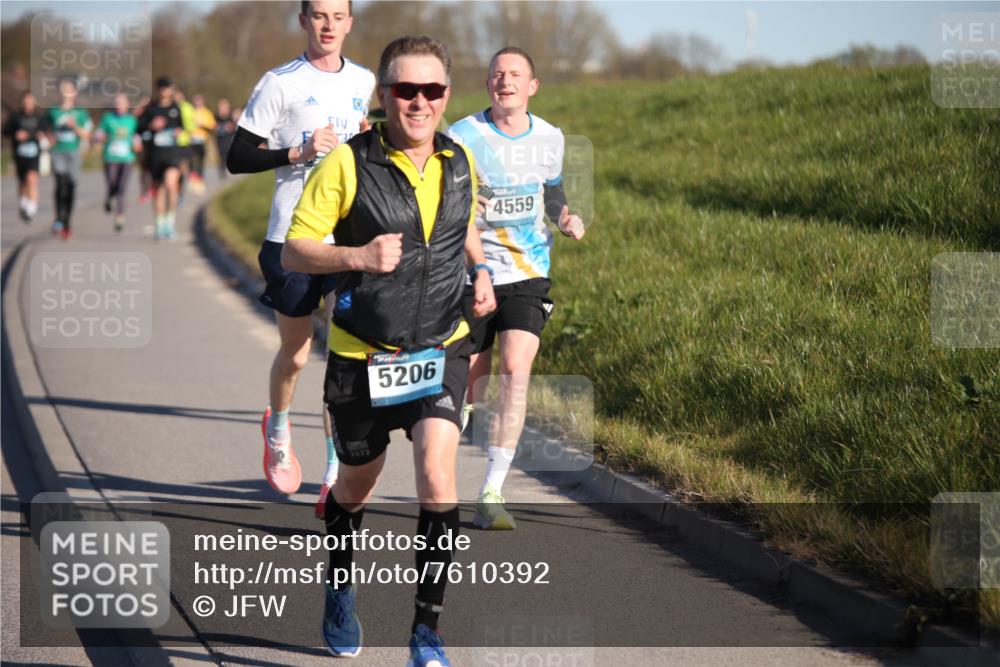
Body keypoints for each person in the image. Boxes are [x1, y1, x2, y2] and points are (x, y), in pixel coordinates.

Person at [284, 34, 495, 667]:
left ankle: (426, 632)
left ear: (446, 95)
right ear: (384, 95)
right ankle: (340, 581)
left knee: (437, 474)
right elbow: (297, 247)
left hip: (439, 348)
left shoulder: (460, 161)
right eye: (406, 90)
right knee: (356, 487)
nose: (420, 102)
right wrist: (355, 255)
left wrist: (480, 271)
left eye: (432, 90)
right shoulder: (347, 164)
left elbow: (464, 229)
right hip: (364, 355)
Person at [226, 0, 375, 508]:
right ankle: (279, 430)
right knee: (296, 354)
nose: (329, 25)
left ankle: (334, 469)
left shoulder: (365, 81)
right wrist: (298, 152)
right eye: (319, 15)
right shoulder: (280, 82)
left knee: (344, 358)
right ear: (303, 21)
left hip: (348, 237)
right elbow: (237, 156)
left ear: (349, 23)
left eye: (338, 16)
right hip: (291, 238)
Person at [447, 47, 586, 530]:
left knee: (515, 371)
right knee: (471, 378)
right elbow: (445, 200)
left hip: (528, 272)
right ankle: (452, 427)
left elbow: (553, 191)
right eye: (496, 74)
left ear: (532, 86)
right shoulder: (463, 135)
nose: (504, 81)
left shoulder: (550, 137)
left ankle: (491, 490)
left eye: (515, 75)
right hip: (472, 270)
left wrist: (564, 216)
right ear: (487, 84)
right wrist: (469, 202)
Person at [137, 77, 185, 239]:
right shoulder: (151, 109)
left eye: (167, 88)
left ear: (171, 90)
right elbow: (139, 128)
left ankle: (170, 223)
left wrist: (178, 132)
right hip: (155, 154)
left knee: (171, 185)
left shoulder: (175, 108)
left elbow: (181, 128)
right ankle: (159, 224)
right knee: (158, 190)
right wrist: (151, 126)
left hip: (172, 153)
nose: (165, 91)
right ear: (158, 90)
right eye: (162, 88)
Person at [47, 78, 93, 240]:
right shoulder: (52, 111)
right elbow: (45, 130)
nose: (66, 92)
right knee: (60, 182)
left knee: (71, 185)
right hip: (58, 151)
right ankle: (59, 217)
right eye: (63, 88)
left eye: (69, 88)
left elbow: (88, 134)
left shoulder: (81, 112)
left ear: (74, 92)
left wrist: (76, 127)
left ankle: (67, 222)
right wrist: (49, 137)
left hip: (73, 152)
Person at [94, 93, 140, 232]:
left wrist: (137, 144)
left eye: (122, 103)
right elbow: (99, 133)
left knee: (122, 188)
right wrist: (100, 136)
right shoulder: (108, 118)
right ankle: (108, 197)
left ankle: (120, 217)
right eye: (117, 103)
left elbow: (136, 136)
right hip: (110, 157)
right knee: (112, 183)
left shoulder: (132, 120)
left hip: (127, 158)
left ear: (127, 105)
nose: (120, 105)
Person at [2, 91, 49, 222]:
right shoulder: (16, 117)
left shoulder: (40, 118)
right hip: (19, 154)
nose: (28, 103)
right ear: (22, 102)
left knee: (32, 179)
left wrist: (37, 136)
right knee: (22, 182)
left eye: (30, 101)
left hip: (34, 154)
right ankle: (23, 203)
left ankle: (31, 209)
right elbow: (5, 131)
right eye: (25, 101)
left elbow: (45, 133)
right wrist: (16, 134)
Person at [187, 93, 217, 194]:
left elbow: (212, 127)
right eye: (196, 100)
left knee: (200, 160)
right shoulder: (191, 112)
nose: (197, 102)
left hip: (202, 139)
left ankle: (200, 179)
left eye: (199, 100)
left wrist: (202, 125)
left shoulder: (207, 113)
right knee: (190, 159)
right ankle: (192, 178)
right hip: (190, 139)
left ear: (202, 101)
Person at [214, 97, 236, 180]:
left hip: (230, 141)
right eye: (221, 107)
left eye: (225, 107)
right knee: (221, 157)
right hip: (220, 141)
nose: (223, 109)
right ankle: (222, 173)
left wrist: (231, 127)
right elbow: (213, 127)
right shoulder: (216, 117)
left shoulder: (231, 117)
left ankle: (230, 169)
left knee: (230, 155)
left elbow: (235, 128)